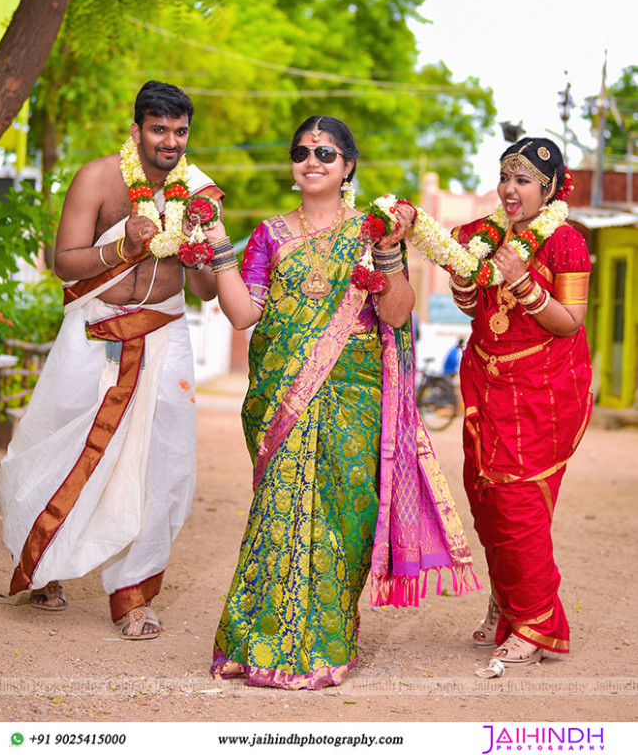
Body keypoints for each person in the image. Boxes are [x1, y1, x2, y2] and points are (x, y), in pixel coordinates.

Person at [207, 115, 477, 689]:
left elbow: (397, 313)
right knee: (277, 514)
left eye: (326, 153)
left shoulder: (374, 229)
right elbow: (242, 314)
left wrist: (386, 252)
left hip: (353, 394)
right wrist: (218, 248)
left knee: (344, 517)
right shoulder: (269, 235)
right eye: (302, 151)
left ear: (347, 165)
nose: (312, 161)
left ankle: (327, 643)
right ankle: (257, 645)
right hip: (283, 395)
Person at [0, 81, 223, 640]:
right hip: (95, 329)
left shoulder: (198, 192)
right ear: (136, 130)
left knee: (166, 463)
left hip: (166, 332)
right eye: (159, 130)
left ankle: (134, 595)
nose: (170, 141)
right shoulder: (97, 179)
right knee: (63, 445)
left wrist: (200, 247)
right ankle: (48, 564)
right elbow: (64, 263)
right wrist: (123, 246)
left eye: (180, 131)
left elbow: (205, 292)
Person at [449, 137, 592, 666]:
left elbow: (569, 322)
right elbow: (472, 306)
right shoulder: (481, 236)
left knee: (518, 506)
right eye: (505, 177)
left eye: (524, 180)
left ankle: (536, 624)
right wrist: (467, 275)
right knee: (486, 501)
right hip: (486, 384)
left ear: (550, 189)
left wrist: (521, 279)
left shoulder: (566, 244)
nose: (510, 190)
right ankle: (506, 602)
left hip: (543, 394)